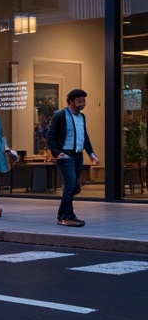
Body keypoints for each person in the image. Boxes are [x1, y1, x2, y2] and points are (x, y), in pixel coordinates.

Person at [47, 88, 99, 228]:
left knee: (75, 186)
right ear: (71, 101)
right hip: (65, 155)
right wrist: (57, 153)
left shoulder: (82, 117)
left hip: (78, 155)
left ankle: (61, 215)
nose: (82, 103)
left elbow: (85, 137)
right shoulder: (60, 115)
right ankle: (68, 216)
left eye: (84, 100)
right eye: (79, 100)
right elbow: (50, 136)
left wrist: (91, 153)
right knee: (70, 185)